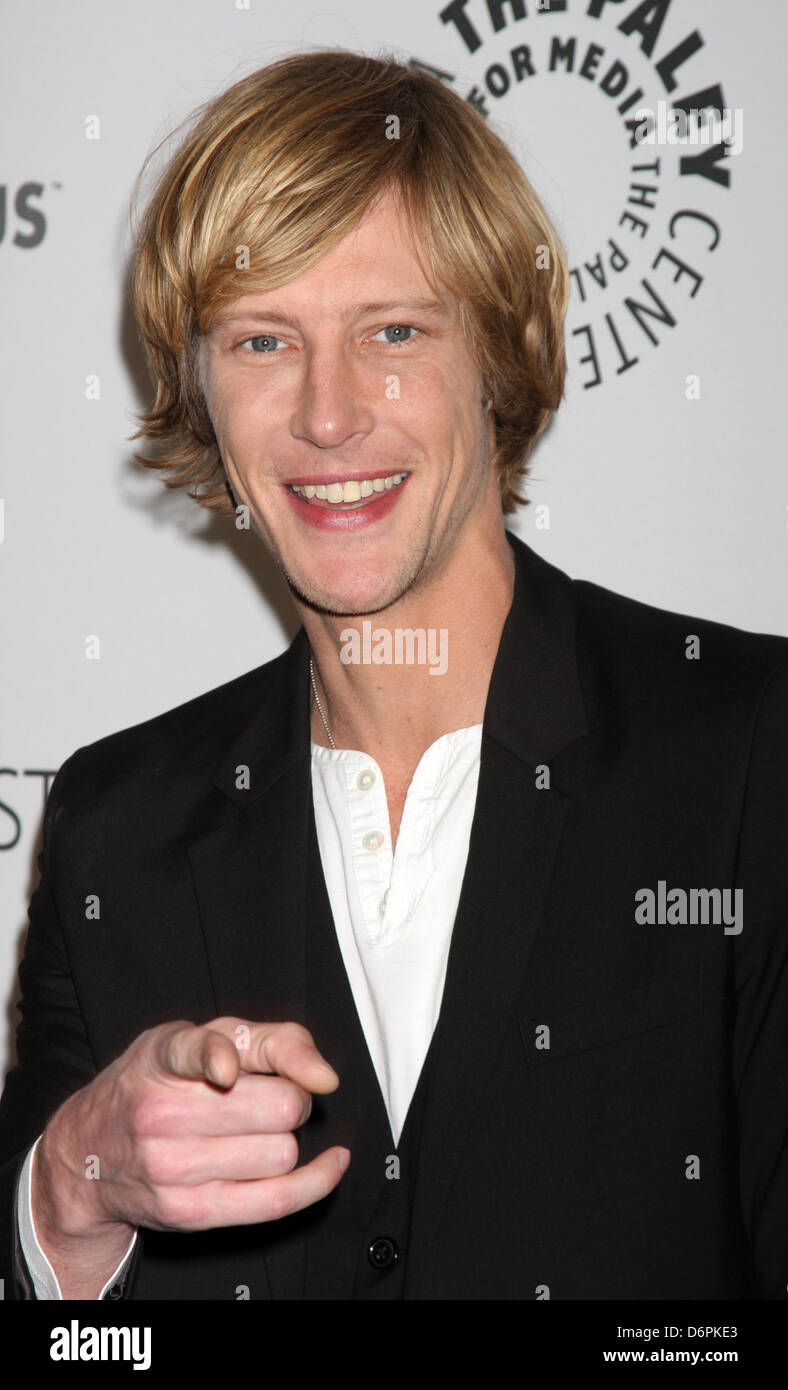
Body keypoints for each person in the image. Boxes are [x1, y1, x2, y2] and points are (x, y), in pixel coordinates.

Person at [1, 48, 786, 1302]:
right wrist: (74, 1186)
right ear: (201, 393)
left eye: (394, 331)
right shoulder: (114, 826)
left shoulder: (747, 751)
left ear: (501, 352)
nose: (326, 414)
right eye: (262, 341)